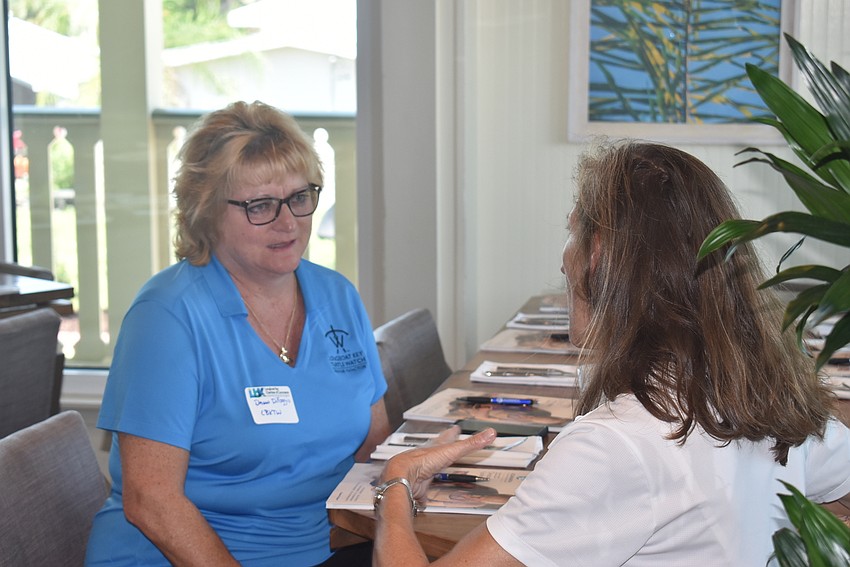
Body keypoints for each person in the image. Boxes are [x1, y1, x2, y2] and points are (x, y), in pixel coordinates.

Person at [372, 140, 850, 566]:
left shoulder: (615, 445)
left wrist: (396, 486)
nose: (563, 258)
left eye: (572, 229)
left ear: (598, 252)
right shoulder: (769, 394)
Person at [85, 100, 389, 566]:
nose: (288, 222)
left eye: (299, 198)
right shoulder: (167, 317)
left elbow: (373, 447)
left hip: (320, 548)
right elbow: (152, 502)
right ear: (206, 211)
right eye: (260, 206)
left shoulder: (337, 296)